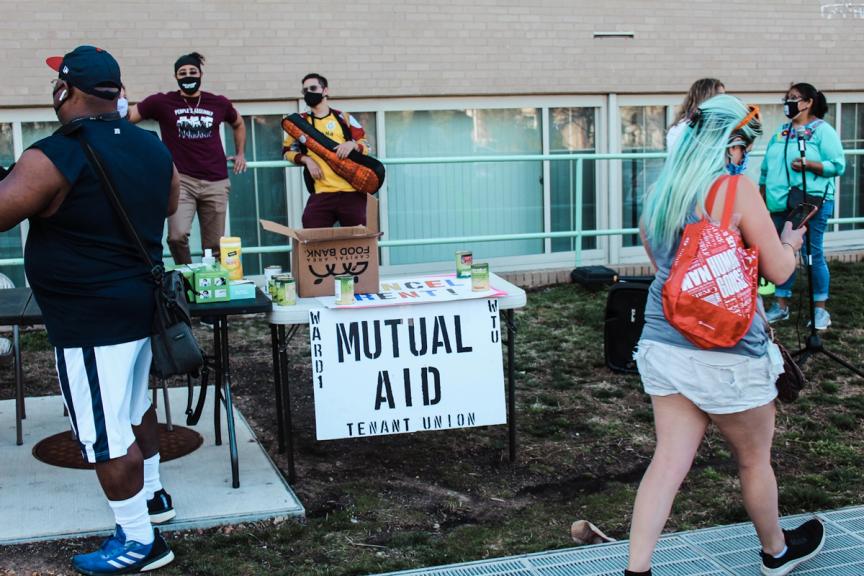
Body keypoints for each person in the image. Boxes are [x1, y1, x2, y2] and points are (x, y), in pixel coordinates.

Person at [625, 95, 824, 576]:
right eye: (744, 148)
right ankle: (776, 553)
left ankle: (637, 570)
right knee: (754, 460)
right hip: (728, 350)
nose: (745, 157)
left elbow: (667, 270)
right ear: (731, 145)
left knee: (667, 462)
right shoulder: (734, 191)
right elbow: (778, 271)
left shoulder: (661, 194)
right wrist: (790, 242)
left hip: (665, 344)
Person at [0, 45, 179, 574]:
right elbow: (169, 204)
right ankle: (154, 496)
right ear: (117, 93)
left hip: (91, 322)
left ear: (65, 91)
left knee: (104, 435)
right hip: (140, 309)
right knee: (135, 409)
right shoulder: (152, 147)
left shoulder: (55, 154)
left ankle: (141, 541)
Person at [128, 51, 246, 263]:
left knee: (214, 246)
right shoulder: (162, 102)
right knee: (176, 236)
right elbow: (127, 119)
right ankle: (187, 274)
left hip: (216, 181)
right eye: (182, 73)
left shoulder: (218, 102)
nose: (188, 76)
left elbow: (238, 123)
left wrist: (240, 153)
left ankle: (211, 281)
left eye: (193, 71)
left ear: (201, 74)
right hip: (181, 180)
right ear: (175, 76)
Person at [761, 83, 845, 329]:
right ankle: (781, 305)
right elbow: (766, 167)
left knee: (812, 253)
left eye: (794, 98)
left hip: (811, 202)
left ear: (808, 103)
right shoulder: (782, 132)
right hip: (779, 202)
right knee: (780, 251)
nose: (788, 102)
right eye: (787, 98)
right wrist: (761, 193)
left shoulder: (822, 131)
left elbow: (838, 165)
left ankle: (820, 310)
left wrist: (811, 165)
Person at [282, 73, 372, 228]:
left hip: (352, 192)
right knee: (312, 234)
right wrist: (306, 160)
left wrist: (352, 145)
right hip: (321, 193)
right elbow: (287, 151)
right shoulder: (299, 123)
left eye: (313, 88)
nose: (308, 93)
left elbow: (366, 145)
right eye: (305, 90)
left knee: (359, 238)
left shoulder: (344, 118)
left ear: (325, 91)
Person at [666, 78, 725, 151]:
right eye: (719, 96)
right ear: (704, 97)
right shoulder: (681, 129)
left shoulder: (720, 126)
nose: (724, 100)